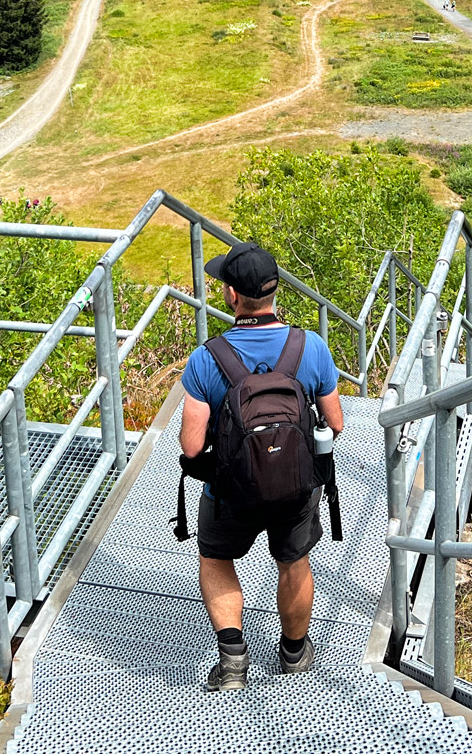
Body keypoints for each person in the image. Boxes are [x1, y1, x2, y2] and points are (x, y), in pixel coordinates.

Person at [179, 241, 343, 689]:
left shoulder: (206, 358)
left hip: (230, 493)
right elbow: (337, 422)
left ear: (232, 295)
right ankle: (293, 653)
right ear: (275, 290)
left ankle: (233, 660)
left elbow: (192, 447)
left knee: (215, 558)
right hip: (295, 488)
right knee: (294, 562)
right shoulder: (311, 348)